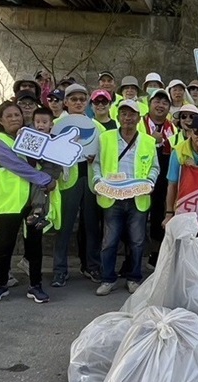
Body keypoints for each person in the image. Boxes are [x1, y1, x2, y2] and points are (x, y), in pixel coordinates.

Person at [0, 101, 58, 304]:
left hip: (33, 200)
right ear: (0, 120)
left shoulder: (29, 136)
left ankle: (36, 285)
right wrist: (44, 179)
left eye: (17, 115)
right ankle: (1, 284)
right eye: (9, 116)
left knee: (34, 243)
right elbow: (15, 164)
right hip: (10, 201)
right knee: (5, 243)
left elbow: (45, 158)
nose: (14, 118)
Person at [92, 100, 161, 295]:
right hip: (112, 197)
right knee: (109, 241)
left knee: (137, 241)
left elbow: (155, 166)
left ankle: (134, 277)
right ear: (118, 117)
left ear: (139, 118)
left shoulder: (148, 141)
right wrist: (97, 181)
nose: (127, 118)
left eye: (132, 114)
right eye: (124, 114)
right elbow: (96, 164)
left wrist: (150, 182)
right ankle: (108, 279)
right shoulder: (105, 138)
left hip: (138, 197)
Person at [51, 84, 99, 287]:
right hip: (66, 181)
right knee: (63, 227)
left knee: (92, 226)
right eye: (73, 99)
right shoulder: (55, 125)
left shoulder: (97, 127)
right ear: (66, 102)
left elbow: (106, 155)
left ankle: (91, 266)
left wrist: (96, 158)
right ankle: (59, 270)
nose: (78, 103)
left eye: (82, 99)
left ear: (87, 102)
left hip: (90, 181)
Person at [143, 88, 175, 262]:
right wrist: (152, 139)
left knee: (158, 215)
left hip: (163, 178)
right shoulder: (139, 123)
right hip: (140, 176)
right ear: (149, 104)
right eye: (157, 101)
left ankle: (156, 254)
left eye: (165, 102)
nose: (160, 105)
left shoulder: (173, 128)